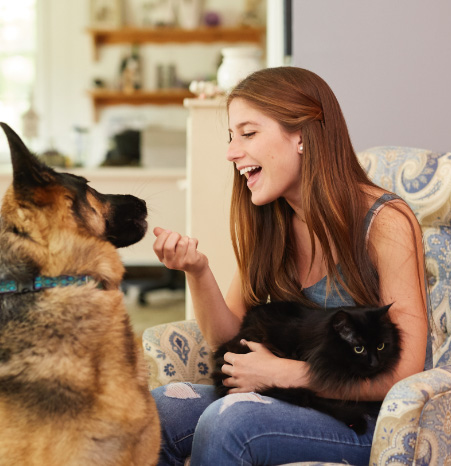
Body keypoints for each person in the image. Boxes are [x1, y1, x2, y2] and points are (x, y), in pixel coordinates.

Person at [151, 67, 428, 466]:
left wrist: (281, 372)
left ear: (301, 135)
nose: (231, 152)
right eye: (232, 137)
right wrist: (197, 271)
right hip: (299, 403)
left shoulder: (385, 223)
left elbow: (405, 373)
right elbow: (227, 339)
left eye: (248, 133)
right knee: (159, 411)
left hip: (371, 422)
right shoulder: (272, 221)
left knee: (228, 422)